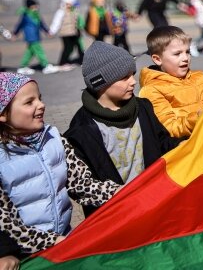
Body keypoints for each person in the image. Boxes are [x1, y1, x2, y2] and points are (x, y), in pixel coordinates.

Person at [0, 73, 119, 258]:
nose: (41, 105)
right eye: (29, 102)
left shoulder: (54, 139)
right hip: (24, 254)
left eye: (39, 98)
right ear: (2, 114)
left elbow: (83, 186)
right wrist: (54, 242)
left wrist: (122, 192)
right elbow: (7, 224)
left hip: (63, 242)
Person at [64, 42, 181, 217]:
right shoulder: (81, 130)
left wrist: (185, 145)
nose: (133, 82)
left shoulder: (143, 108)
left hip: (154, 204)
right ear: (101, 82)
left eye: (132, 75)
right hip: (116, 215)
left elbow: (163, 142)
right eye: (124, 77)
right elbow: (84, 185)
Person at [138, 26, 203, 138]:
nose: (185, 58)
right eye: (177, 54)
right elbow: (169, 128)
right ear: (158, 59)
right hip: (188, 147)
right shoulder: (152, 89)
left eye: (187, 52)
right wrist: (197, 119)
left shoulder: (200, 77)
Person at [13, 0, 57, 75]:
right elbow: (19, 25)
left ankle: (23, 67)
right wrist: (15, 33)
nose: (36, 7)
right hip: (30, 36)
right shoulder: (25, 15)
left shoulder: (37, 14)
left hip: (36, 35)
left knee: (30, 52)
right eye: (34, 6)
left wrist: (47, 31)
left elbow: (42, 24)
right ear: (30, 6)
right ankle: (45, 65)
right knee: (39, 50)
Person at [49, 0, 85, 67]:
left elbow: (78, 20)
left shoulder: (74, 11)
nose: (71, 5)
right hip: (65, 34)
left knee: (79, 47)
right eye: (69, 3)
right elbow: (56, 22)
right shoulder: (61, 12)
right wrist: (52, 31)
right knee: (67, 48)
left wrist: (80, 27)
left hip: (73, 33)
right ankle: (62, 63)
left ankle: (82, 61)